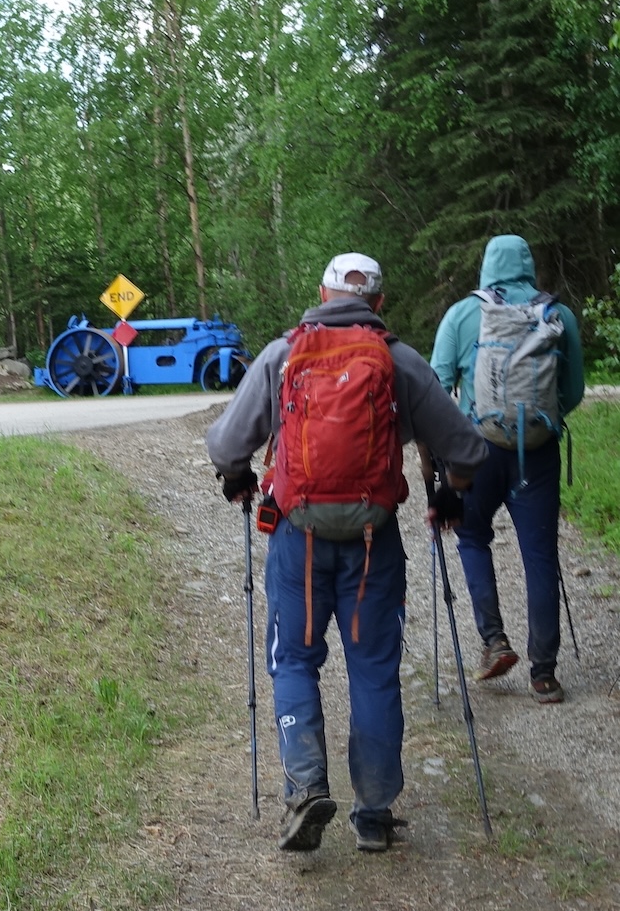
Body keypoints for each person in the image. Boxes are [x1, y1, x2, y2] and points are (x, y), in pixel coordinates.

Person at [206, 253, 487, 853]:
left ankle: (306, 788)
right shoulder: (399, 361)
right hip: (372, 545)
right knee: (374, 671)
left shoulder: (284, 355)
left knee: (294, 661)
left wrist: (238, 478)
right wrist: (450, 493)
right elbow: (465, 449)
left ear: (321, 295)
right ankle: (374, 813)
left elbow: (228, 442)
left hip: (297, 540)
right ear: (378, 304)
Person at [431, 234, 585, 704]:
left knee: (473, 536)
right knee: (539, 557)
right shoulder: (556, 314)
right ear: (528, 266)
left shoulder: (462, 314)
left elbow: (437, 388)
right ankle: (544, 674)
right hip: (536, 454)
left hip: (475, 453)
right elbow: (574, 391)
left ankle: (494, 640)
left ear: (486, 267)